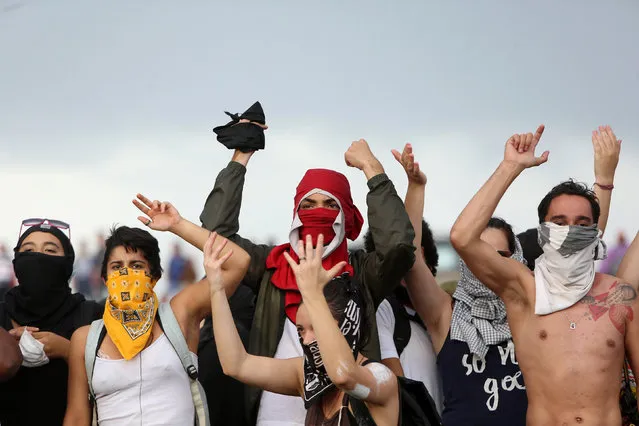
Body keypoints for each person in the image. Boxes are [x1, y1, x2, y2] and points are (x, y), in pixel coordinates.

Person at [199, 139, 415, 425]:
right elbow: (217, 240)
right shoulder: (274, 265)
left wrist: (372, 170)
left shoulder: (361, 275)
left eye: (330, 204)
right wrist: (239, 159)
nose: (307, 340)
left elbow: (399, 248)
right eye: (309, 204)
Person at [449, 124, 637, 425]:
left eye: (581, 224)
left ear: (594, 233)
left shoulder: (620, 296)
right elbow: (462, 237)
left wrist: (605, 180)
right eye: (559, 222)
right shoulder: (523, 290)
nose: (570, 232)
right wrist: (511, 166)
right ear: (543, 232)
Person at [63, 204, 250, 426]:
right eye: (116, 267)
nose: (126, 274)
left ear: (155, 277)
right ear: (105, 279)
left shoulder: (179, 316)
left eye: (136, 265)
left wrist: (177, 225)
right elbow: (76, 417)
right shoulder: (86, 340)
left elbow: (238, 262)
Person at [391, 144, 527, 424]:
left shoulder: (533, 313)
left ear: (517, 261)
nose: (487, 264)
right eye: (477, 254)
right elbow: (412, 259)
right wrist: (416, 188)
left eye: (499, 256)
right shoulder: (447, 315)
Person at [207, 233, 400, 425]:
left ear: (348, 324)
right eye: (300, 330)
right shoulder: (306, 375)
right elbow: (236, 364)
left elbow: (344, 376)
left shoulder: (380, 379)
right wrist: (217, 289)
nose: (306, 340)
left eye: (314, 328)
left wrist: (313, 294)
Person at [0, 219, 104, 426]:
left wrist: (68, 351)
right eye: (28, 250)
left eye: (50, 251)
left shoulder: (91, 315)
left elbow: (120, 377)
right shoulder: (1, 313)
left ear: (67, 263)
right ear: (17, 261)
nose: (38, 257)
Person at [365, 144, 444, 415]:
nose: (403, 264)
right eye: (389, 257)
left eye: (414, 254)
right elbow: (396, 390)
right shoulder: (382, 311)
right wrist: (414, 187)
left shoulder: (449, 314)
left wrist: (415, 186)